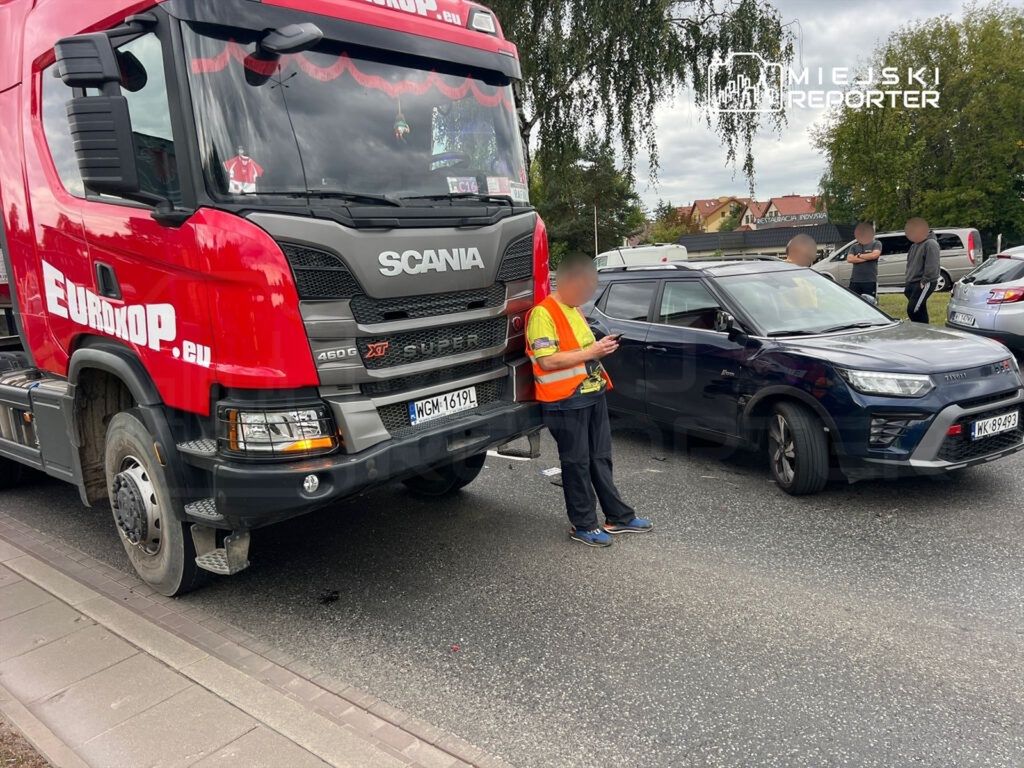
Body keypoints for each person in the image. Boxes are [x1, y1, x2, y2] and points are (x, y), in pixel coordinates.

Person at [526, 255, 652, 548]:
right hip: (564, 400)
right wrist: (593, 351)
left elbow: (581, 349)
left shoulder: (574, 309)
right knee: (577, 463)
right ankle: (583, 524)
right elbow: (547, 361)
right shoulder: (543, 314)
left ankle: (618, 516)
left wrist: (600, 347)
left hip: (591, 393)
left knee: (600, 458)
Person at [904, 217, 940, 323]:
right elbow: (910, 263)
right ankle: (924, 328)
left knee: (913, 310)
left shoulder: (931, 244)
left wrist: (924, 280)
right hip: (912, 281)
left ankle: (919, 327)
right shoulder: (914, 245)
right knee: (920, 309)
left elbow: (932, 265)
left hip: (923, 282)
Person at [847, 222, 882, 299]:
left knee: (869, 301)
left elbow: (874, 255)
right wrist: (867, 257)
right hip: (855, 281)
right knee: (854, 300)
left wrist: (859, 256)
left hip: (869, 280)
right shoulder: (854, 247)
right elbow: (849, 259)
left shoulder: (876, 243)